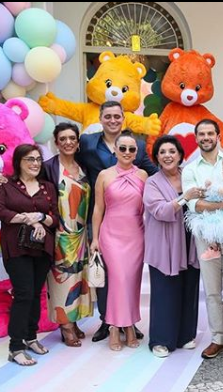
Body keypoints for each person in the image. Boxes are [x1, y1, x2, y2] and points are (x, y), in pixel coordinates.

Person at [77, 100, 157, 342]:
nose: (113, 120)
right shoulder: (87, 143)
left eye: (117, 116)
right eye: (108, 116)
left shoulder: (139, 147)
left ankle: (128, 322)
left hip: (132, 227)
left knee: (127, 277)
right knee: (106, 275)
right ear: (100, 119)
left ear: (124, 118)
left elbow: (154, 173)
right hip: (103, 218)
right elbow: (72, 164)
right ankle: (107, 322)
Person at [182, 119, 223, 362]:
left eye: (210, 133)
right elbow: (194, 205)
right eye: (202, 134)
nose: (206, 137)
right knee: (212, 290)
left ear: (218, 135)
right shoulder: (190, 169)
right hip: (206, 236)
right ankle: (218, 338)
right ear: (196, 137)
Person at [0, 144, 59, 366]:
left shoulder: (47, 187)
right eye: (29, 159)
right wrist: (29, 218)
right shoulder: (6, 185)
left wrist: (41, 217)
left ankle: (31, 337)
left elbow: (54, 218)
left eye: (38, 159)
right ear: (18, 162)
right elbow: (0, 211)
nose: (35, 163)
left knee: (35, 293)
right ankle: (16, 346)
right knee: (23, 293)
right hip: (16, 247)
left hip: (42, 247)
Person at [143, 136, 203, 358]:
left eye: (172, 151)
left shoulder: (189, 175)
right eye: (162, 152)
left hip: (190, 241)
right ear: (157, 157)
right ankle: (160, 340)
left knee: (189, 288)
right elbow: (160, 211)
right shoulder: (153, 182)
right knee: (164, 292)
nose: (167, 155)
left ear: (180, 155)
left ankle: (185, 335)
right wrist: (184, 198)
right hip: (165, 244)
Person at [90, 133, 148, 351]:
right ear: (114, 150)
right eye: (122, 148)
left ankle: (130, 324)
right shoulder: (104, 175)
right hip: (111, 234)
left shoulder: (143, 175)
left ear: (136, 153)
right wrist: (95, 238)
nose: (126, 152)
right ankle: (115, 327)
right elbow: (97, 209)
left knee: (132, 281)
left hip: (135, 234)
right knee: (118, 279)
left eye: (131, 149)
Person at [43, 123, 93, 347]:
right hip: (60, 235)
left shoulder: (84, 167)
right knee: (61, 280)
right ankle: (65, 326)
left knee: (79, 279)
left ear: (78, 141)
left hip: (82, 234)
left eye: (72, 138)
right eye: (62, 138)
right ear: (56, 142)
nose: (68, 142)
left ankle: (73, 320)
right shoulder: (48, 168)